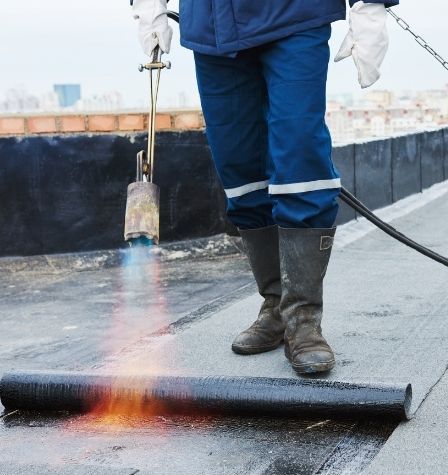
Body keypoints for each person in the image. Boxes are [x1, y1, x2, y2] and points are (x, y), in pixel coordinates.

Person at [132, 0, 397, 374]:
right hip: (212, 28)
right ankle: (275, 305)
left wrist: (370, 7)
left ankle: (303, 320)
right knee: (240, 169)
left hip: (293, 16)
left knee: (301, 158)